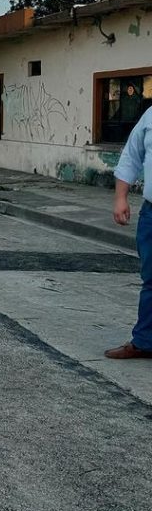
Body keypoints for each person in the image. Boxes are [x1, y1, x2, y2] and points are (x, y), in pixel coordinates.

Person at [106, 104, 152, 360]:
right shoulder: (151, 115)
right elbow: (132, 156)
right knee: (151, 279)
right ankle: (145, 341)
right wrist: (120, 197)